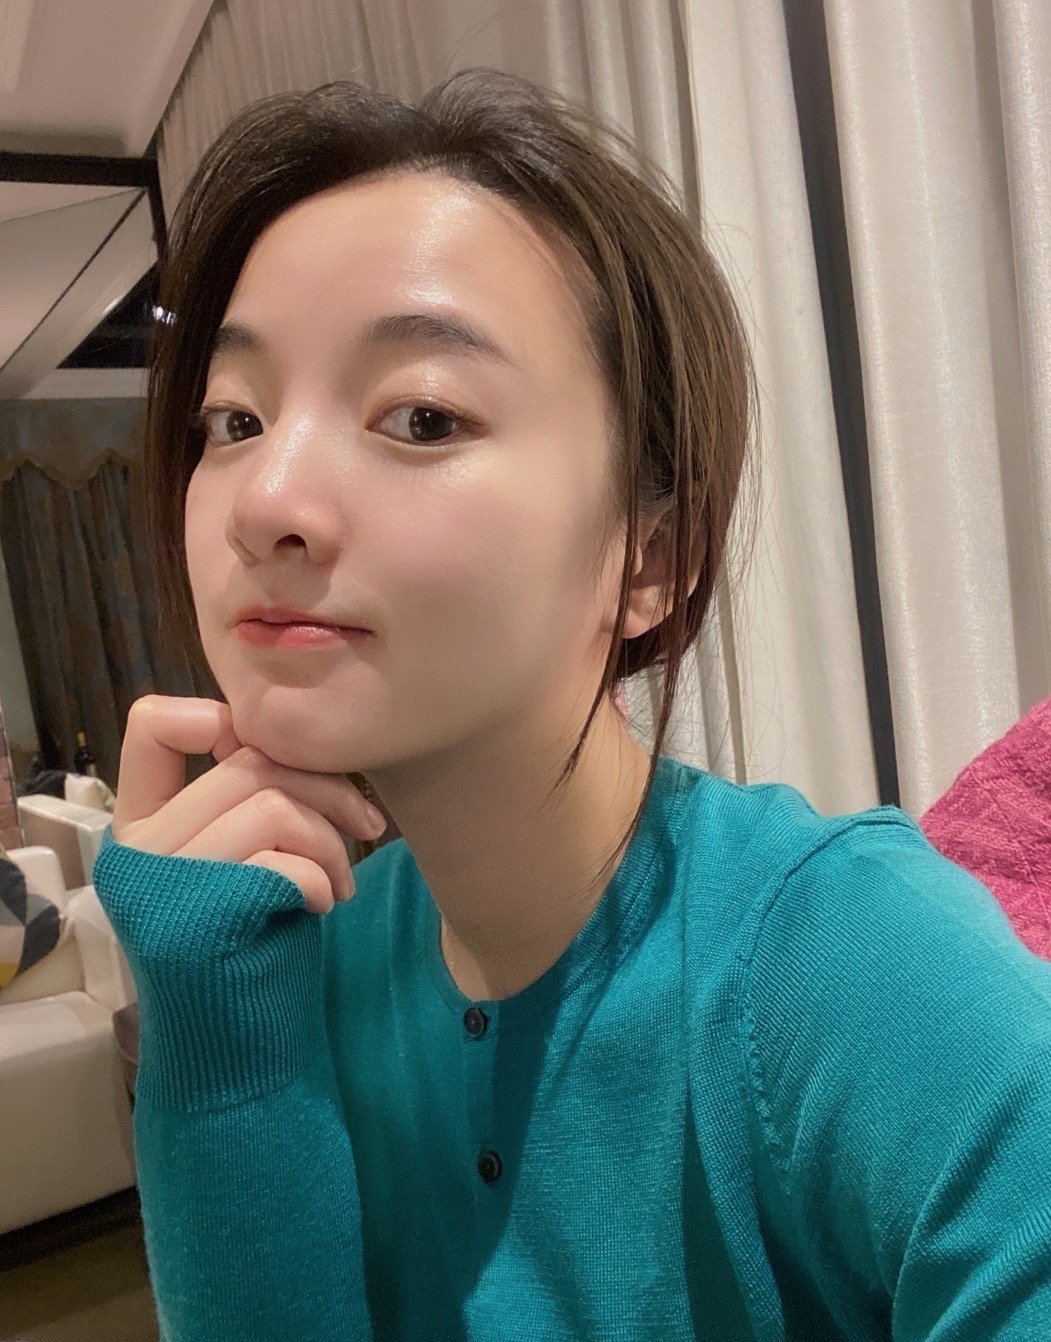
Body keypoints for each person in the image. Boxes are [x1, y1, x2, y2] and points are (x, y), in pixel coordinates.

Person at [91, 68, 1051, 1341]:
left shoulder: (841, 961)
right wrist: (213, 1024)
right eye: (234, 418)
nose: (266, 499)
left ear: (650, 557)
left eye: (420, 416)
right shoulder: (300, 957)